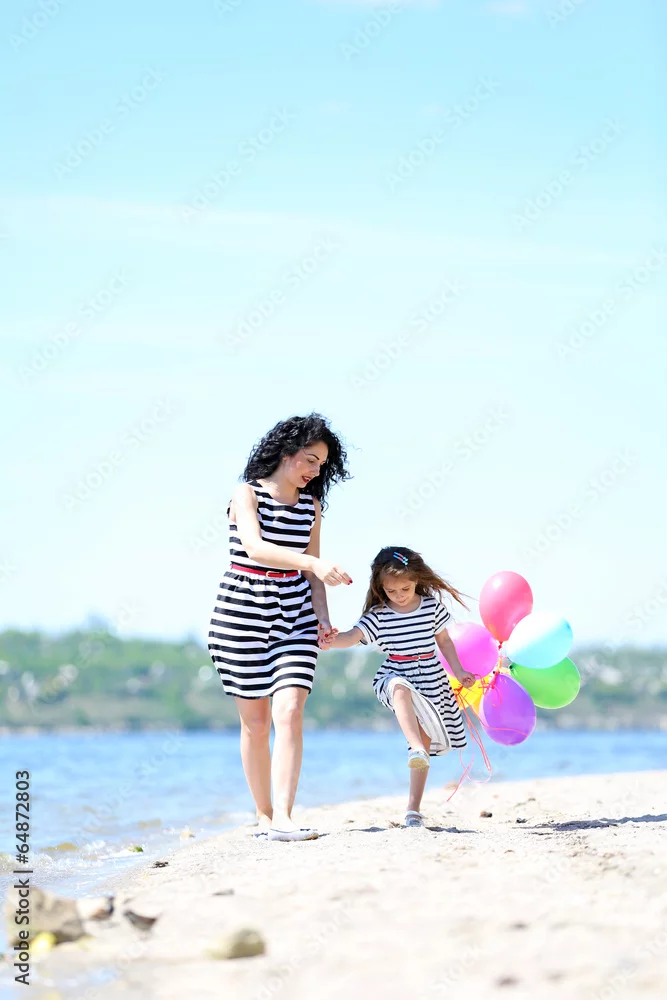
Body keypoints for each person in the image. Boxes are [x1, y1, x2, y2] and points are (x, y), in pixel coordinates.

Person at [208, 413, 351, 842]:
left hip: (295, 615)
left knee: (289, 711)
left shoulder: (311, 507)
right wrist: (313, 563)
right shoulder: (245, 493)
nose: (315, 471)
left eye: (322, 465)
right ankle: (264, 815)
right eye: (310, 460)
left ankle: (285, 816)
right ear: (287, 453)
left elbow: (312, 575)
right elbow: (254, 548)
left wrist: (323, 618)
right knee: (255, 724)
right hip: (241, 613)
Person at [319, 546, 474, 828]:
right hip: (396, 670)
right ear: (381, 588)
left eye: (405, 588)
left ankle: (413, 808)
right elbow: (352, 636)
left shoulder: (431, 608)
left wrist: (459, 670)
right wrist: (331, 640)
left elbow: (445, 642)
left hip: (431, 678)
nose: (399, 595)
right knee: (399, 688)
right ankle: (414, 747)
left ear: (417, 580)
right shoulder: (379, 615)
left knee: (425, 746)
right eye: (391, 591)